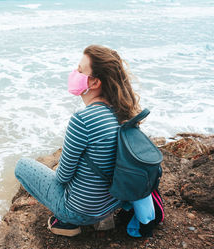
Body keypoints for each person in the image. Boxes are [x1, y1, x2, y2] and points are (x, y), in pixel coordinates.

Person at [14, 44, 141, 236]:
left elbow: (62, 177)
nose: (74, 73)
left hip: (81, 212)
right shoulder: (124, 113)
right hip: (111, 204)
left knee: (22, 166)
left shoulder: (83, 120)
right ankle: (103, 219)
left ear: (95, 83)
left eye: (80, 70)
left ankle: (66, 223)